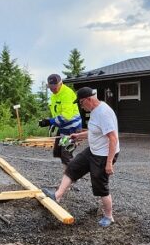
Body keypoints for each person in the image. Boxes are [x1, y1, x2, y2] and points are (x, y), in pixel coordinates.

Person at [41, 87, 120, 227]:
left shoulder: (104, 113)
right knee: (72, 167)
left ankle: (109, 216)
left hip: (103, 155)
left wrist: (109, 163)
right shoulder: (95, 111)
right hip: (93, 151)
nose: (81, 107)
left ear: (89, 99)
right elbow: (95, 131)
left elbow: (113, 139)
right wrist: (79, 135)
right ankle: (57, 196)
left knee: (100, 186)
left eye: (82, 103)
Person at [38, 74, 82, 166]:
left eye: (55, 87)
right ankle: (69, 171)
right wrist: (51, 123)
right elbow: (57, 113)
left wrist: (50, 121)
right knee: (57, 152)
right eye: (51, 88)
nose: (53, 90)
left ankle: (73, 175)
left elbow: (66, 116)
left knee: (66, 154)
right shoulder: (54, 95)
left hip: (71, 128)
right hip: (63, 127)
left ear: (61, 83)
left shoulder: (66, 94)